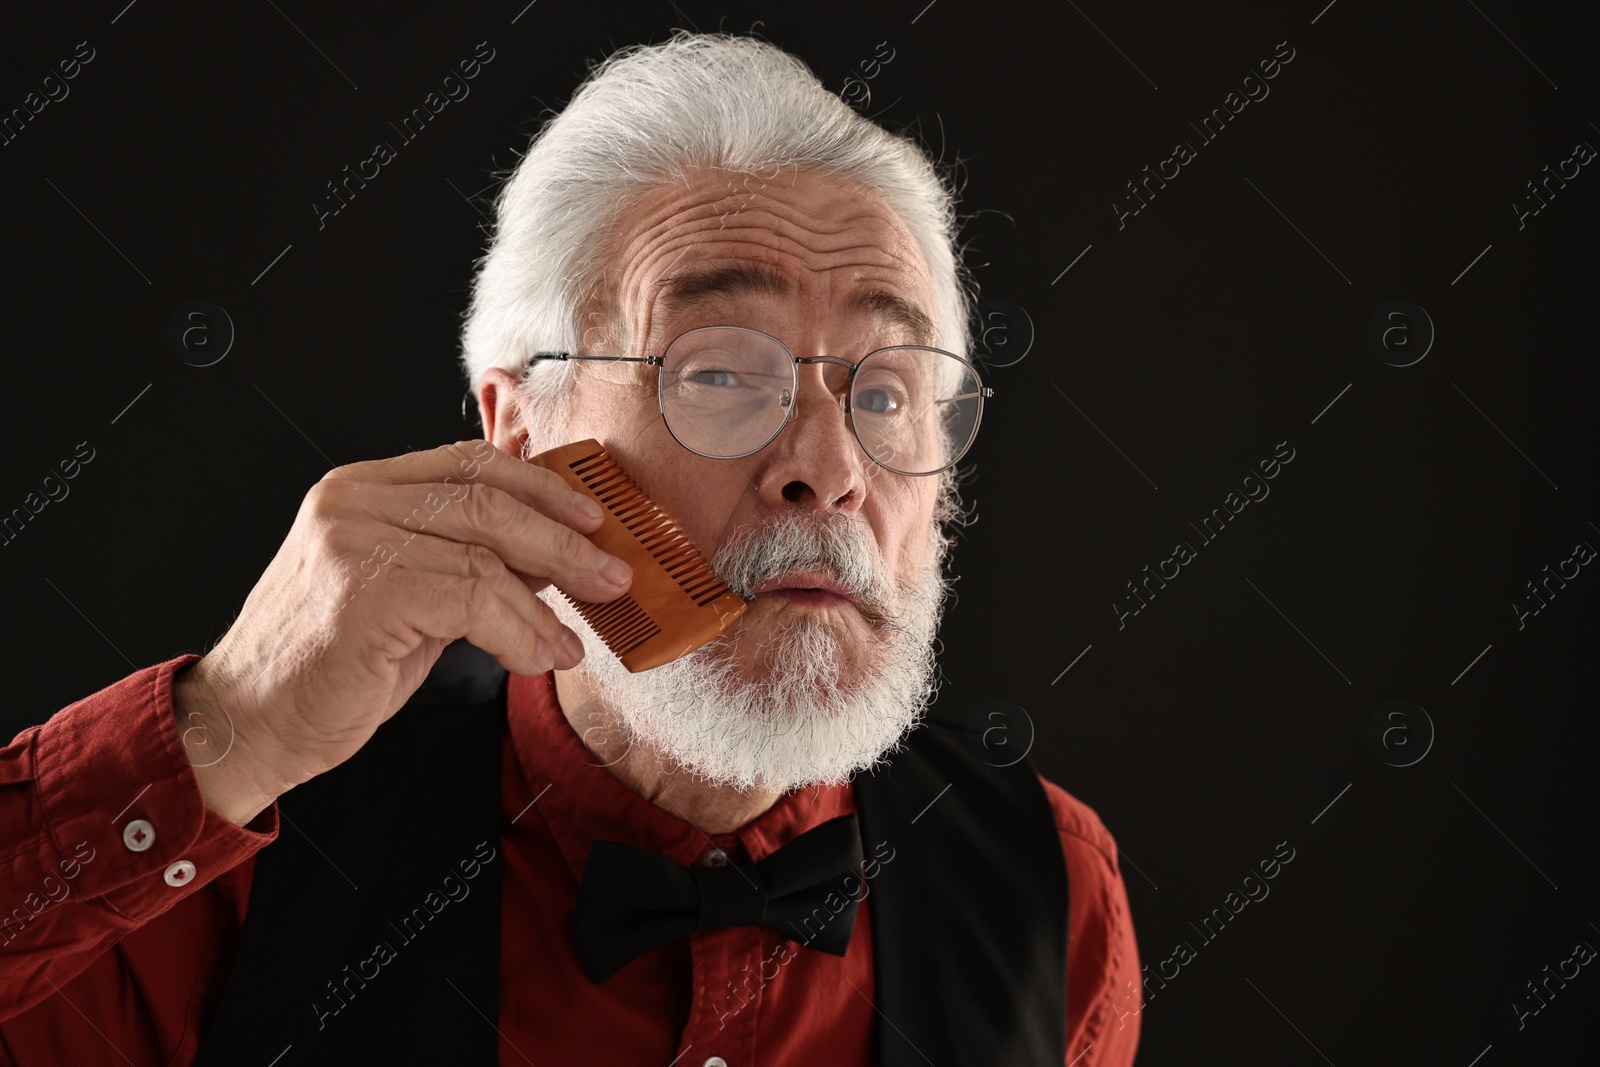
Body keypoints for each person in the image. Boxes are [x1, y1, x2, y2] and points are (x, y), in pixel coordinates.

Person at [0, 31, 1142, 1065]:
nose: (830, 466)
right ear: (519, 429)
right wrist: (226, 728)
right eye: (719, 372)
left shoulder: (1054, 888)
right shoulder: (233, 864)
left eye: (886, 391)